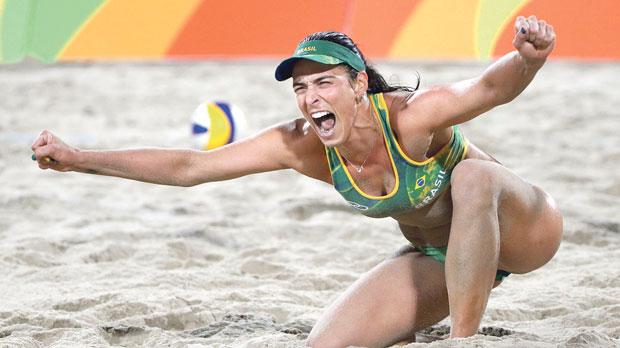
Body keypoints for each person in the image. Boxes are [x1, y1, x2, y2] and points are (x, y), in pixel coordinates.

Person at [32, 15, 562, 347]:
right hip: (444, 259)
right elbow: (191, 169)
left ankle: (463, 342)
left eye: (325, 82)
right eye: (301, 87)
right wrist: (79, 158)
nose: (311, 98)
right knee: (326, 345)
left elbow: (490, 88)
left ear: (358, 85)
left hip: (522, 231)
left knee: (472, 178)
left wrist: (527, 59)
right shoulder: (302, 145)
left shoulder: (411, 118)